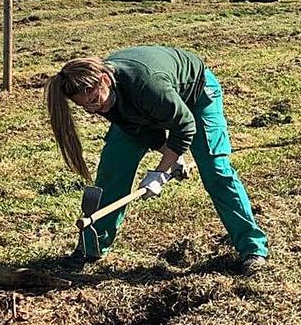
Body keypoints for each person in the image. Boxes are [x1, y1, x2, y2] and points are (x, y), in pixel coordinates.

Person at [45, 46, 269, 274]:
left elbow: (184, 125)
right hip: (147, 104)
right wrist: (172, 156)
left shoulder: (145, 83)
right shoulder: (103, 98)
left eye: (94, 100)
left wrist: (160, 172)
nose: (94, 109)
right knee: (113, 170)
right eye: (86, 107)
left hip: (197, 95)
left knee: (216, 171)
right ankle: (89, 247)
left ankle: (253, 248)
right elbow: (138, 130)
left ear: (105, 79)